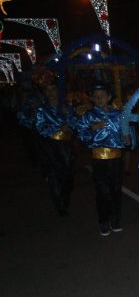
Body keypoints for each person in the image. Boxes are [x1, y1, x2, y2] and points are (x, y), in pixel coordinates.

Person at [75, 82, 129, 236]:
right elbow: (81, 133)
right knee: (102, 191)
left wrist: (127, 137)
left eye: (102, 96)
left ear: (109, 97)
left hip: (116, 159)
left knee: (116, 190)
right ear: (92, 98)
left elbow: (126, 132)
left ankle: (116, 220)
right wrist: (92, 128)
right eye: (96, 96)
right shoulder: (89, 115)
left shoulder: (118, 115)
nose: (99, 99)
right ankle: (104, 222)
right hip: (99, 159)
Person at [35, 82, 76, 216]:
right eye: (47, 90)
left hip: (67, 146)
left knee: (68, 176)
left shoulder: (66, 107)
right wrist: (58, 127)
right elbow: (40, 129)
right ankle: (60, 205)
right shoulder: (42, 110)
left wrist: (68, 118)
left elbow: (74, 124)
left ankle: (65, 198)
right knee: (54, 176)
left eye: (53, 89)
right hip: (50, 146)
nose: (51, 92)